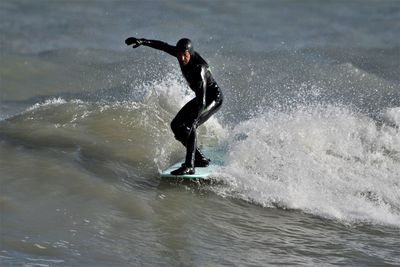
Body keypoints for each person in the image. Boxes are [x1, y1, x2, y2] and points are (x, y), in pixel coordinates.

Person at [125, 37, 223, 175]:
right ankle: (200, 159)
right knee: (176, 125)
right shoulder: (179, 54)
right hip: (201, 98)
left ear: (190, 53)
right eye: (180, 55)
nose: (182, 58)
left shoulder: (199, 68)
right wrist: (143, 41)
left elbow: (201, 101)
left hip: (213, 98)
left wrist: (193, 119)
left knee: (190, 124)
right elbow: (163, 45)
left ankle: (190, 166)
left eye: (185, 55)